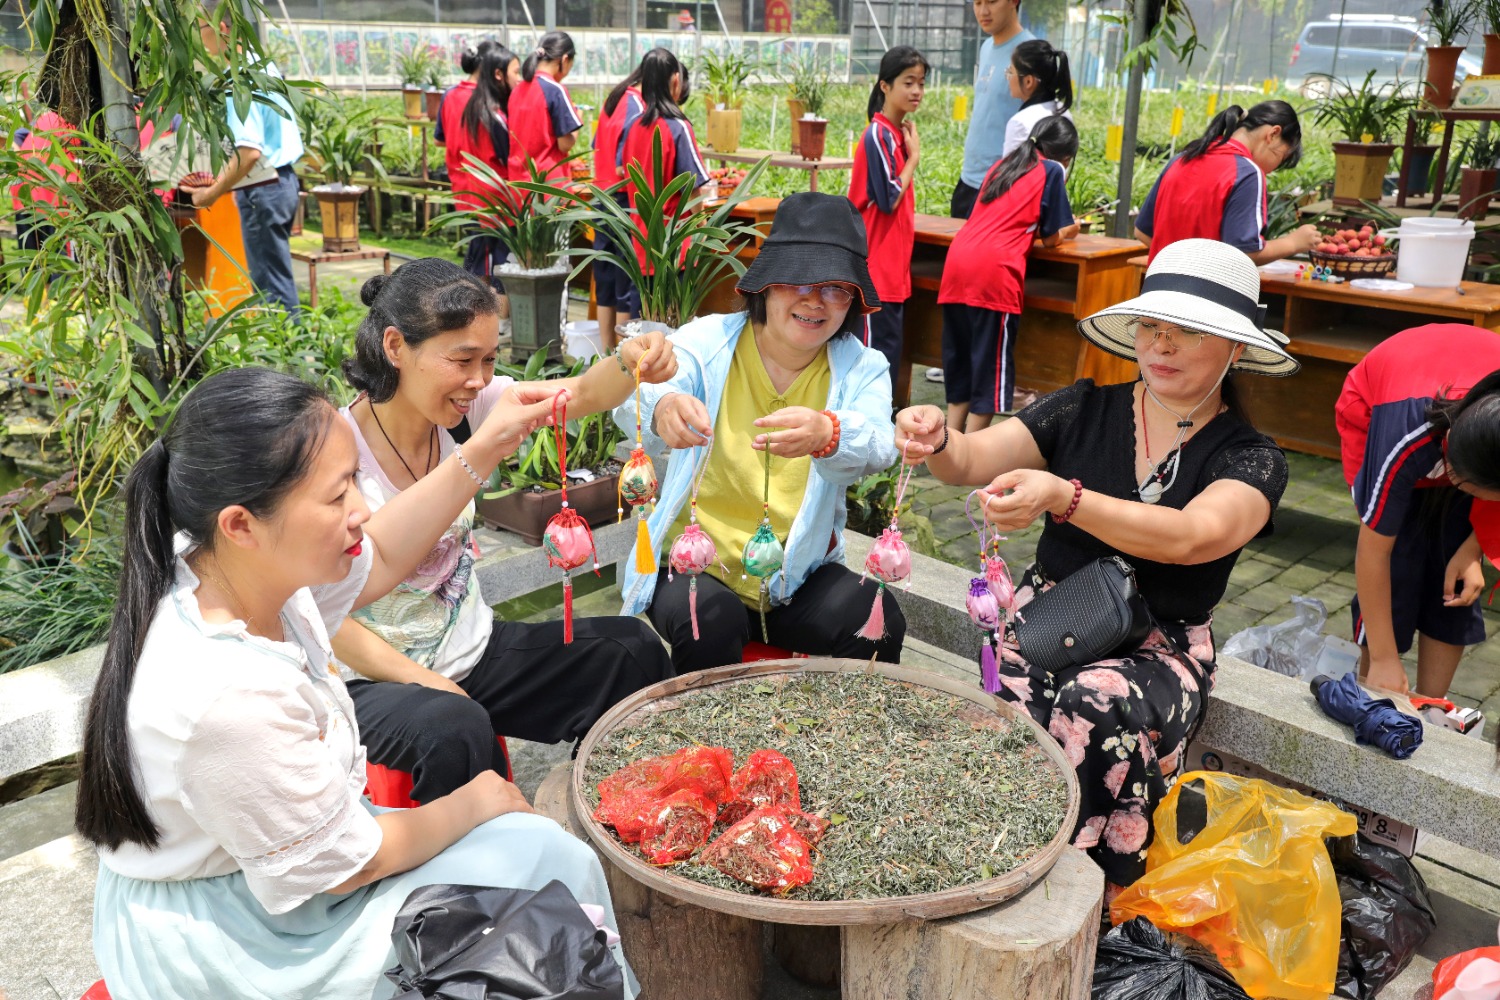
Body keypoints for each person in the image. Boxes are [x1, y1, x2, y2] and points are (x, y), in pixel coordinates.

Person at [75, 366, 634, 998]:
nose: (361, 510)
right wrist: (474, 801)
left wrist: (483, 449)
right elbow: (347, 864)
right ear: (241, 523)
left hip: (280, 876)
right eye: (339, 493)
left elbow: (388, 554)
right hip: (241, 938)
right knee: (542, 857)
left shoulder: (224, 561)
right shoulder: (229, 696)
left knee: (535, 853)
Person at [895, 238, 1294, 889]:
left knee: (1097, 696)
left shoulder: (1252, 458)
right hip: (1049, 620)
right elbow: (967, 460)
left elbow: (1192, 537)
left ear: (1237, 348)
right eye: (1151, 327)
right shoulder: (1082, 406)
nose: (1160, 345)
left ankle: (1088, 884)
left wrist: (1065, 496)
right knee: (1014, 689)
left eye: (1187, 332)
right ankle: (999, 854)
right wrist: (937, 436)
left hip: (1157, 650)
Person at [330, 258, 679, 804]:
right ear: (395, 346)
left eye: (490, 360)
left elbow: (582, 394)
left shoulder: (470, 409)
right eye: (463, 359)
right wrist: (429, 684)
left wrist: (628, 359)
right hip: (375, 681)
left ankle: (620, 810)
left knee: (629, 649)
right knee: (452, 726)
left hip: (476, 651)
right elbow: (326, 614)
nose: (481, 380)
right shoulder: (334, 451)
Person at [616, 192, 903, 673]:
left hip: (797, 580)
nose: (815, 302)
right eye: (798, 282)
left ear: (853, 299)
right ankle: (702, 748)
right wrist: (662, 404)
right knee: (709, 621)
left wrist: (829, 433)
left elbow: (877, 446)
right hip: (696, 565)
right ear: (766, 285)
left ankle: (844, 736)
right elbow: (636, 393)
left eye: (836, 288)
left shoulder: (863, 367)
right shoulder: (708, 341)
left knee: (877, 618)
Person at [1335, 324, 1500, 698]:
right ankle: (1375, 691)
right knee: (1398, 565)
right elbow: (1373, 551)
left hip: (1478, 439)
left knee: (1454, 578)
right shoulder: (1403, 437)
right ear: (1449, 468)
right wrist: (1384, 659)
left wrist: (1473, 550)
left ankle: (1432, 704)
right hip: (1380, 411)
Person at [940, 115, 1079, 432]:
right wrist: (1074, 227)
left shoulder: (1002, 166)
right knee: (990, 372)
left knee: (960, 363)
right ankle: (970, 457)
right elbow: (1054, 235)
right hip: (994, 277)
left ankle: (950, 443)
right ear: (1065, 155)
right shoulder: (1052, 170)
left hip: (957, 266)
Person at [191, 23, 305, 320]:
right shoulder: (263, 67)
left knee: (271, 286)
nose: (198, 37)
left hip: (262, 189)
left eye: (199, 26)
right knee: (276, 277)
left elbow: (249, 152)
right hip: (283, 181)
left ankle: (289, 357)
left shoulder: (239, 81)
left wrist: (211, 193)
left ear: (222, 26)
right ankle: (294, 349)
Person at [1135, 101, 1320, 264]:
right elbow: (1244, 253)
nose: (1273, 168)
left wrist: (1179, 262)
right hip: (1205, 296)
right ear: (1273, 134)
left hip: (1157, 288)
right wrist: (1294, 243)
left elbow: (1142, 231)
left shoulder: (1182, 158)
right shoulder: (1247, 173)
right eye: (1283, 156)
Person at [848, 45, 927, 380]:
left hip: (891, 270)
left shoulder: (895, 134)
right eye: (908, 82)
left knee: (886, 359)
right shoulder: (879, 134)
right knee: (873, 366)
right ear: (885, 86)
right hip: (876, 270)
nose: (917, 91)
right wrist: (913, 158)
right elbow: (889, 199)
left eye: (921, 83)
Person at [620, 47, 710, 273]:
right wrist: (704, 229)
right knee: (675, 309)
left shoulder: (632, 126)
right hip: (675, 247)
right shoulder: (678, 127)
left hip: (641, 244)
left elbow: (625, 172)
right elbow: (693, 188)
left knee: (646, 308)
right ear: (676, 81)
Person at [448, 45, 522, 292]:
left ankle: (476, 316)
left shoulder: (464, 102)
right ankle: (494, 322)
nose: (519, 79)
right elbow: (508, 157)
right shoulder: (493, 113)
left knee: (478, 258)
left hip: (470, 191)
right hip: (494, 199)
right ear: (498, 74)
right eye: (516, 72)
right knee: (495, 263)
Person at [953, 0, 1034, 221]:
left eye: (991, 1)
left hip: (1001, 186)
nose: (983, 11)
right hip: (968, 179)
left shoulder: (1031, 53)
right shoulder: (986, 46)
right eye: (977, 3)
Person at [592, 63, 647, 352]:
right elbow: (622, 161)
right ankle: (621, 359)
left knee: (604, 281)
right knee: (626, 282)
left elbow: (596, 145)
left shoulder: (614, 99)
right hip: (623, 201)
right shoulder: (639, 105)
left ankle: (604, 353)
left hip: (601, 196)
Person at [508, 31, 583, 183]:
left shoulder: (518, 89)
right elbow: (564, 145)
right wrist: (577, 123)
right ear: (564, 59)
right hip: (547, 184)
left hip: (520, 181)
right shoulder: (555, 90)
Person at [1001, 39, 1073, 156]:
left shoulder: (1020, 123)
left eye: (1011, 71)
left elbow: (1011, 171)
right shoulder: (1064, 112)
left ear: (1028, 81)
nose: (1008, 77)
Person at [433, 41, 491, 148]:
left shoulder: (449, 94)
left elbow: (439, 140)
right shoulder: (490, 97)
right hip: (482, 164)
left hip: (455, 164)